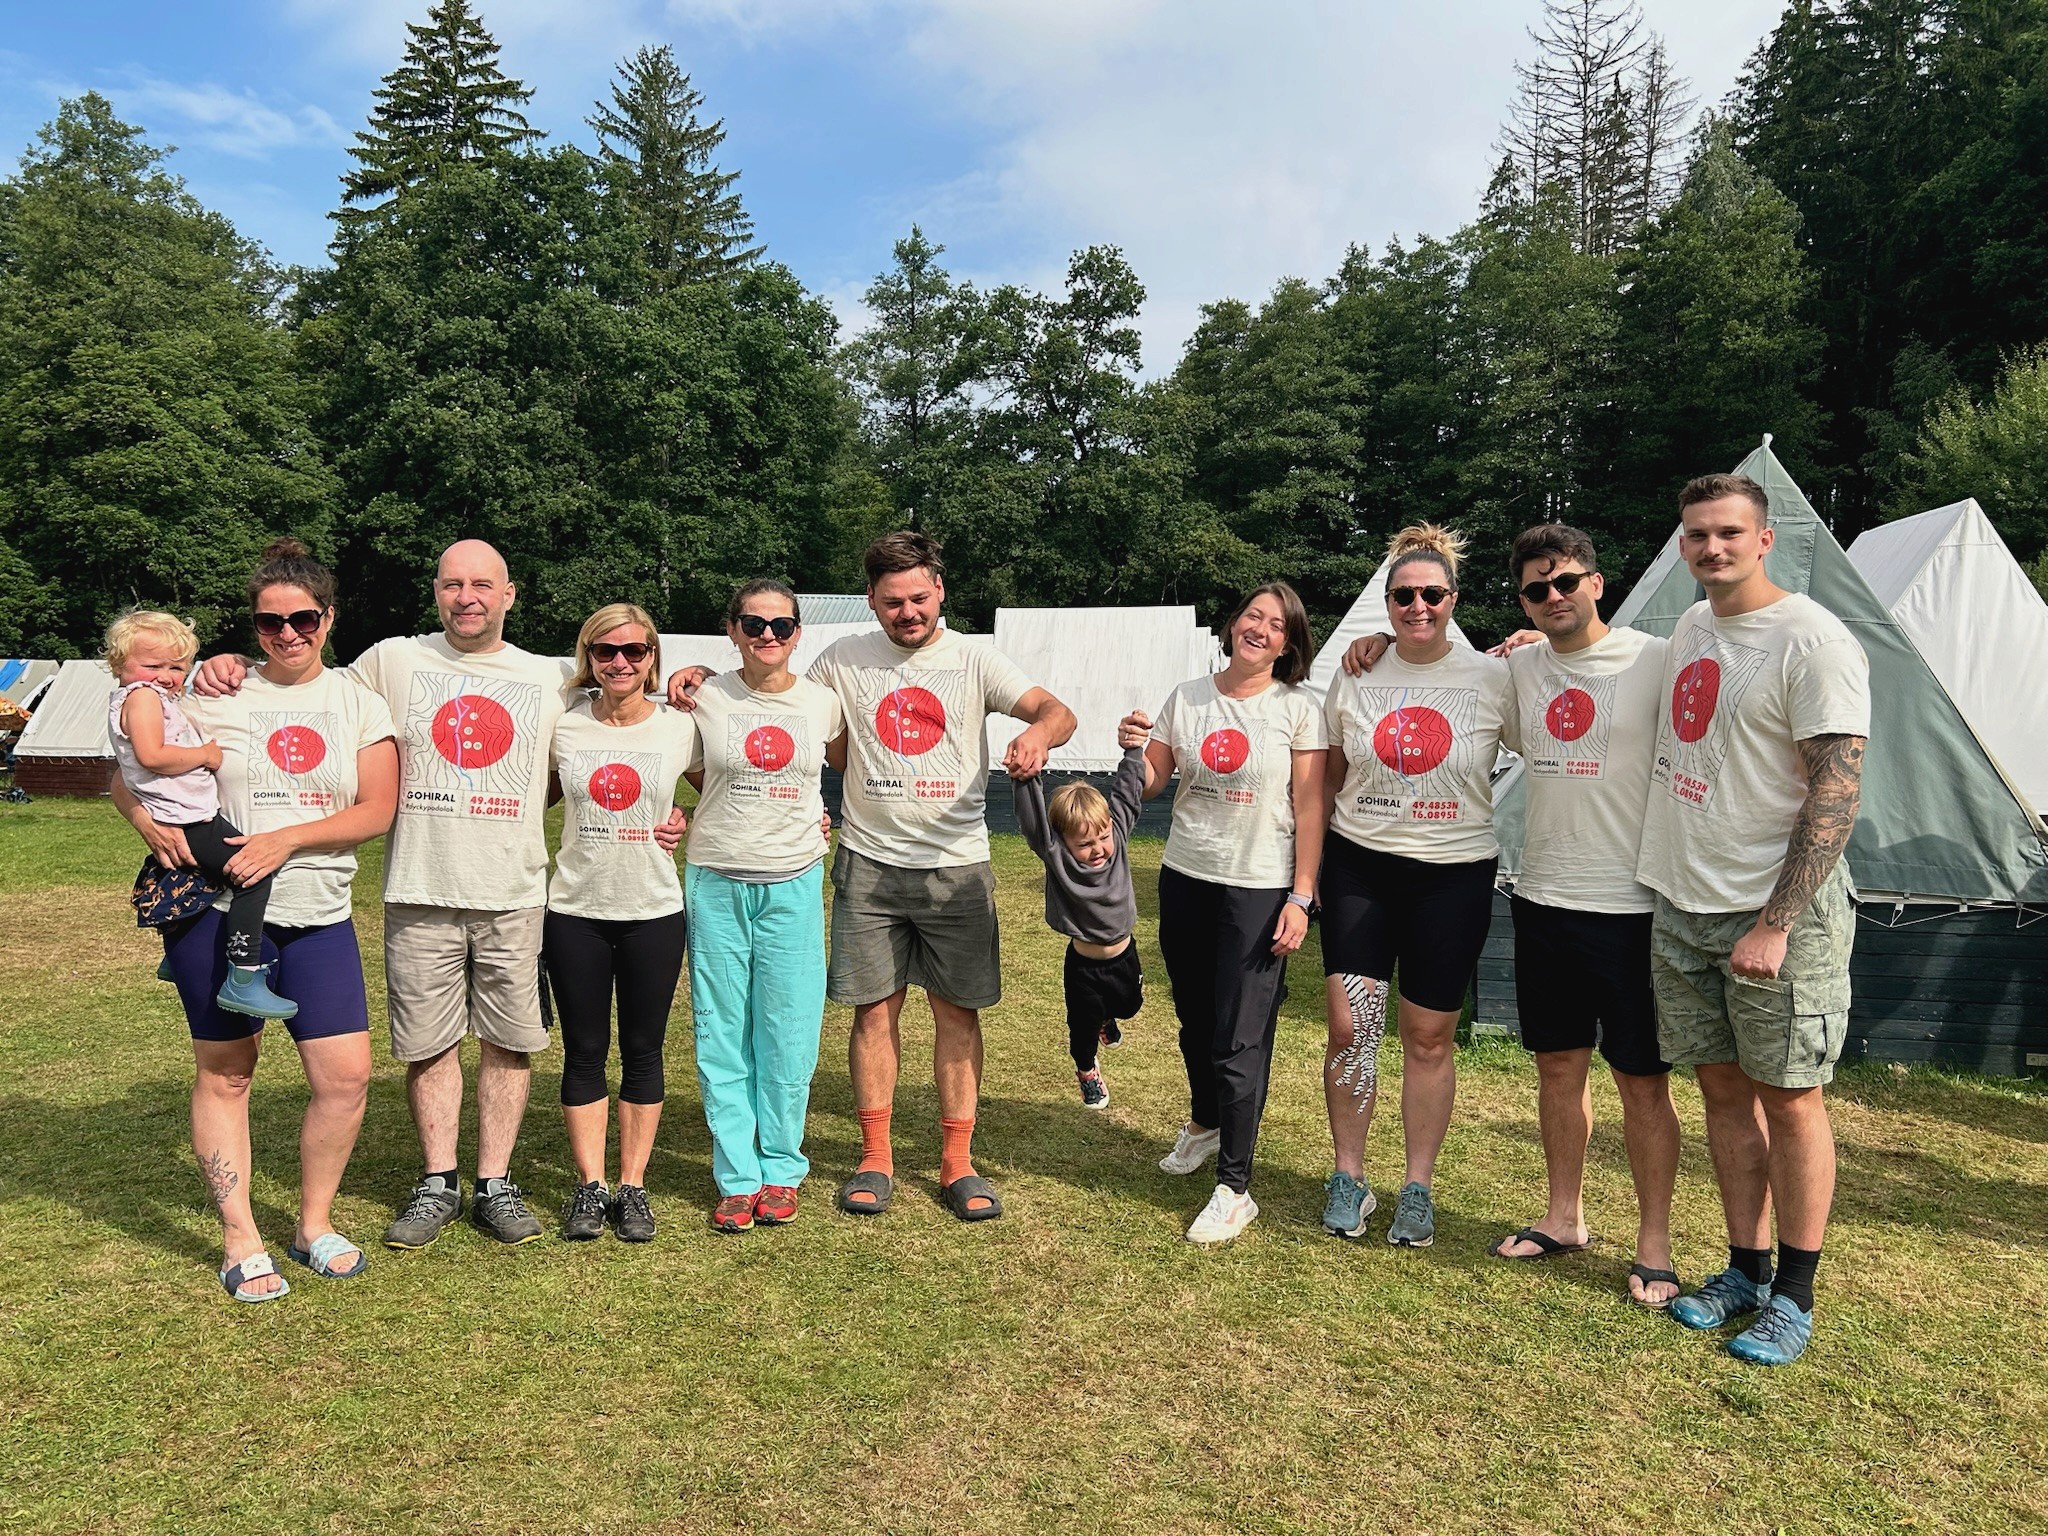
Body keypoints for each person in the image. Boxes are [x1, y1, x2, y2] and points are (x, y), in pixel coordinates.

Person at [195, 541, 649, 1249]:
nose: (466, 597)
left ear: (509, 594)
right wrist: (229, 663)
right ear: (436, 592)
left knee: (509, 1042)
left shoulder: (552, 676)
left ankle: (495, 1183)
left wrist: (691, 682)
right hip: (418, 887)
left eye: (482, 584)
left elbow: (626, 695)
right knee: (428, 1043)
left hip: (514, 889)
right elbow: (302, 677)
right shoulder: (389, 660)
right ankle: (439, 1180)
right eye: (452, 584)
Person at [669, 531, 1076, 1222]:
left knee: (957, 1013)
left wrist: (1038, 735)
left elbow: (1054, 710)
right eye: (893, 602)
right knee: (874, 1009)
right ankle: (875, 1156)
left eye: (919, 598)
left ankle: (957, 1161)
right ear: (871, 602)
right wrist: (703, 677)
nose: (908, 612)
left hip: (957, 863)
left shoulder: (975, 657)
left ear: (940, 591)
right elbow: (771, 689)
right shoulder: (841, 658)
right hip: (868, 860)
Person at [1347, 523, 1683, 1300]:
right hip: (1543, 897)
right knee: (1558, 1070)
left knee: (1641, 1081)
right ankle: (1563, 1217)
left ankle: (1655, 1245)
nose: (1555, 596)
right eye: (1538, 587)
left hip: (1632, 903)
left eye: (1567, 581)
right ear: (1522, 597)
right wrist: (1374, 641)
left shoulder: (1654, 660)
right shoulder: (1519, 668)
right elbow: (1432, 667)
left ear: (1598, 582)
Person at [113, 539, 398, 1300]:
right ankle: (241, 1236)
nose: (288, 634)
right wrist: (142, 819)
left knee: (346, 1077)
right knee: (228, 1073)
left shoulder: (358, 702)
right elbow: (127, 768)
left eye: (303, 618)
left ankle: (313, 1224)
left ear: (329, 618)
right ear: (255, 626)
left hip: (318, 911)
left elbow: (377, 808)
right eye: (270, 622)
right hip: (216, 909)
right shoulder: (210, 695)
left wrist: (287, 839)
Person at [1637, 474, 1868, 1366]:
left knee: (1792, 1099)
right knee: (1725, 1095)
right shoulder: (1696, 624)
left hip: (1770, 915)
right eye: (1697, 535)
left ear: (1765, 540)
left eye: (1729, 533)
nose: (1712, 548)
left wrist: (1776, 920)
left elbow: (1837, 790)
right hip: (1686, 902)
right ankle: (1743, 1266)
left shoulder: (1812, 640)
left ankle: (1795, 1295)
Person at [1317, 526, 1512, 1250]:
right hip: (1362, 865)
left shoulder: (1493, 677)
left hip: (1453, 874)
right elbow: (1331, 772)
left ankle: (1418, 1187)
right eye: (1405, 596)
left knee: (1428, 1036)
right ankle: (1349, 1176)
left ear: (1453, 600)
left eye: (1433, 594)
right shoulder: (1358, 669)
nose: (1419, 607)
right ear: (1388, 602)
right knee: (1350, 1027)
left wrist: (1536, 643)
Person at [1134, 582, 1325, 1246]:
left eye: (1276, 625)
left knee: (1240, 1038)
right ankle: (1204, 1122)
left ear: (1289, 643)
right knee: (1194, 1020)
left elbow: (1308, 808)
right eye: (1253, 616)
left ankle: (1234, 1188)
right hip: (1187, 876)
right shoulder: (1187, 697)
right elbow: (1156, 778)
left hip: (1259, 888)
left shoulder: (1299, 709)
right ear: (1233, 622)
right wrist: (1137, 745)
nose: (1260, 630)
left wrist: (1301, 897)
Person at [679, 581, 845, 1233]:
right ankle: (737, 1175)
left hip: (794, 880)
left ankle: (781, 1167)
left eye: (781, 625)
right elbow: (692, 765)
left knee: (788, 1031)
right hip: (716, 879)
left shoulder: (823, 705)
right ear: (732, 629)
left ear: (798, 632)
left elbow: (846, 767)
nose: (768, 635)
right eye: (755, 623)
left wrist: (812, 816)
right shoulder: (703, 697)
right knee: (721, 1031)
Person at [546, 604, 697, 1243]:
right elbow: (535, 797)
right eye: (606, 651)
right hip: (575, 910)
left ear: (651, 658)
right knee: (582, 1052)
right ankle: (590, 1185)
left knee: (642, 1049)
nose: (620, 662)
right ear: (589, 657)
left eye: (634, 651)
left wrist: (686, 818)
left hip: (653, 911)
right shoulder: (564, 726)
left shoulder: (679, 729)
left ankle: (631, 1185)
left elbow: (723, 788)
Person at [104, 610, 296, 1020]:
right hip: (188, 817)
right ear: (120, 664)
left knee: (203, 877)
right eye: (152, 665)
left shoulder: (153, 696)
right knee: (253, 875)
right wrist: (205, 755)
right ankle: (244, 976)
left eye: (177, 666)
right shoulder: (142, 698)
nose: (166, 676)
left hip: (188, 813)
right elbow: (152, 755)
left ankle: (178, 957)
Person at [1010, 726, 1149, 1110]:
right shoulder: (1055, 855)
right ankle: (1087, 1071)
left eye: (1101, 838)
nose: (1097, 849)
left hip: (1124, 955)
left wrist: (1133, 751)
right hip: (1084, 966)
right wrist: (1025, 778)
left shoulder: (1116, 836)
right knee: (1081, 1031)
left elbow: (1128, 794)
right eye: (1084, 844)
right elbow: (1033, 821)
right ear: (1064, 843)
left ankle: (1108, 1019)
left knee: (1130, 1006)